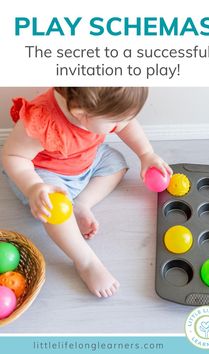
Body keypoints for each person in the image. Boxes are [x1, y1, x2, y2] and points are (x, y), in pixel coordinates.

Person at [2, 87, 172, 298]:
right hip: (46, 177)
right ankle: (86, 261)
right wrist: (34, 187)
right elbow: (14, 156)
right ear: (81, 114)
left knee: (116, 163)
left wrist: (146, 154)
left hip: (86, 161)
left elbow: (126, 124)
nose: (120, 125)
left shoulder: (97, 110)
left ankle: (82, 203)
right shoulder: (44, 119)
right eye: (115, 122)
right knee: (55, 209)